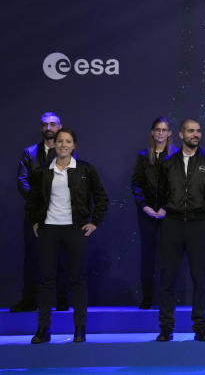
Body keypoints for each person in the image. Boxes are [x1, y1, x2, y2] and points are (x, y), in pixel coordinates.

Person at [27, 128, 108, 343]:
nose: (63, 144)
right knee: (46, 280)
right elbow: (33, 200)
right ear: (54, 144)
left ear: (74, 146)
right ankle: (43, 329)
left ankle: (80, 328)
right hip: (49, 229)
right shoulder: (43, 171)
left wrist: (94, 222)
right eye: (60, 141)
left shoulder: (85, 170)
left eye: (68, 141)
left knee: (77, 280)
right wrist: (35, 221)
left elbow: (101, 197)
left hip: (75, 230)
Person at [156, 119, 205, 342]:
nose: (195, 134)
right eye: (190, 130)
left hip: (199, 226)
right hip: (172, 225)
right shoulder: (167, 164)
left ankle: (200, 327)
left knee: (201, 279)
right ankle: (166, 328)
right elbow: (160, 193)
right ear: (180, 134)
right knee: (168, 278)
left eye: (198, 131)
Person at [13, 112, 66, 313]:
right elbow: (22, 180)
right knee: (32, 257)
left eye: (53, 124)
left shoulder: (66, 150)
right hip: (35, 213)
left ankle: (61, 300)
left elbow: (67, 180)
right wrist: (37, 203)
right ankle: (29, 300)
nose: (49, 128)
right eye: (45, 124)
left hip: (59, 212)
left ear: (59, 126)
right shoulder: (29, 152)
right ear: (41, 128)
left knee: (60, 257)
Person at [130, 116, 178, 309]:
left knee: (168, 257)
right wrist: (145, 206)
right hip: (147, 214)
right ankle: (147, 298)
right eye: (157, 129)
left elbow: (178, 186)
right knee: (148, 256)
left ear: (169, 133)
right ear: (152, 132)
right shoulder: (143, 156)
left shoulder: (176, 156)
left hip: (169, 214)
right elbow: (136, 183)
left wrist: (166, 207)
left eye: (164, 130)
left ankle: (167, 299)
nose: (160, 133)